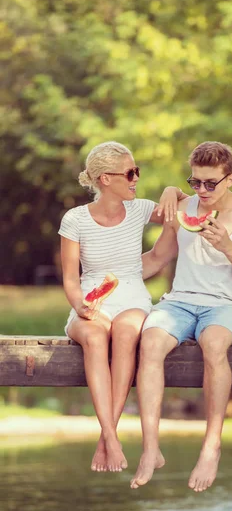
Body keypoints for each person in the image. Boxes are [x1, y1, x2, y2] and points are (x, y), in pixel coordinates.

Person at [131, 141, 232, 492]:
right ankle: (150, 446)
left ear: (230, 179)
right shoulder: (182, 206)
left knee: (213, 343)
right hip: (179, 302)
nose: (202, 191)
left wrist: (227, 245)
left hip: (229, 305)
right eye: (195, 182)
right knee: (149, 341)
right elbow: (156, 259)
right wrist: (103, 276)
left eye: (211, 183)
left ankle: (212, 445)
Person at [58, 141, 186, 473]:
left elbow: (183, 210)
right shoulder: (75, 220)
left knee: (128, 332)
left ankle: (106, 438)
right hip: (90, 298)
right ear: (104, 179)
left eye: (136, 172)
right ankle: (111, 439)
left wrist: (172, 189)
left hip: (132, 295)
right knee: (96, 338)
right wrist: (81, 307)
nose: (135, 179)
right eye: (130, 173)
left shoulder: (140, 209)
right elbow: (71, 280)